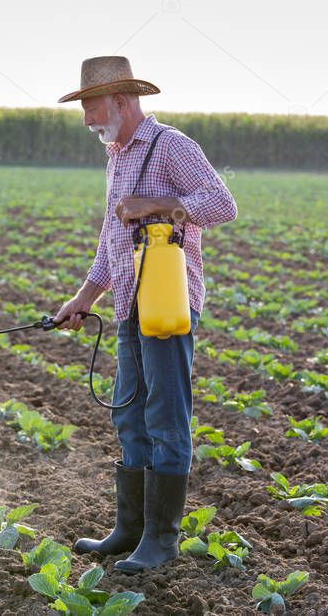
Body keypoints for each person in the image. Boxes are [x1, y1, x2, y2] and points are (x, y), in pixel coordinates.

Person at [54, 56, 237, 573]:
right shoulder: (115, 154)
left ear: (121, 100)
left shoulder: (171, 146)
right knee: (128, 414)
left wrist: (159, 204)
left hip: (169, 301)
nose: (87, 118)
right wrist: (84, 296)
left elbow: (223, 204)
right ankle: (129, 530)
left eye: (91, 106)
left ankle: (161, 539)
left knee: (165, 418)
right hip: (129, 305)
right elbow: (112, 236)